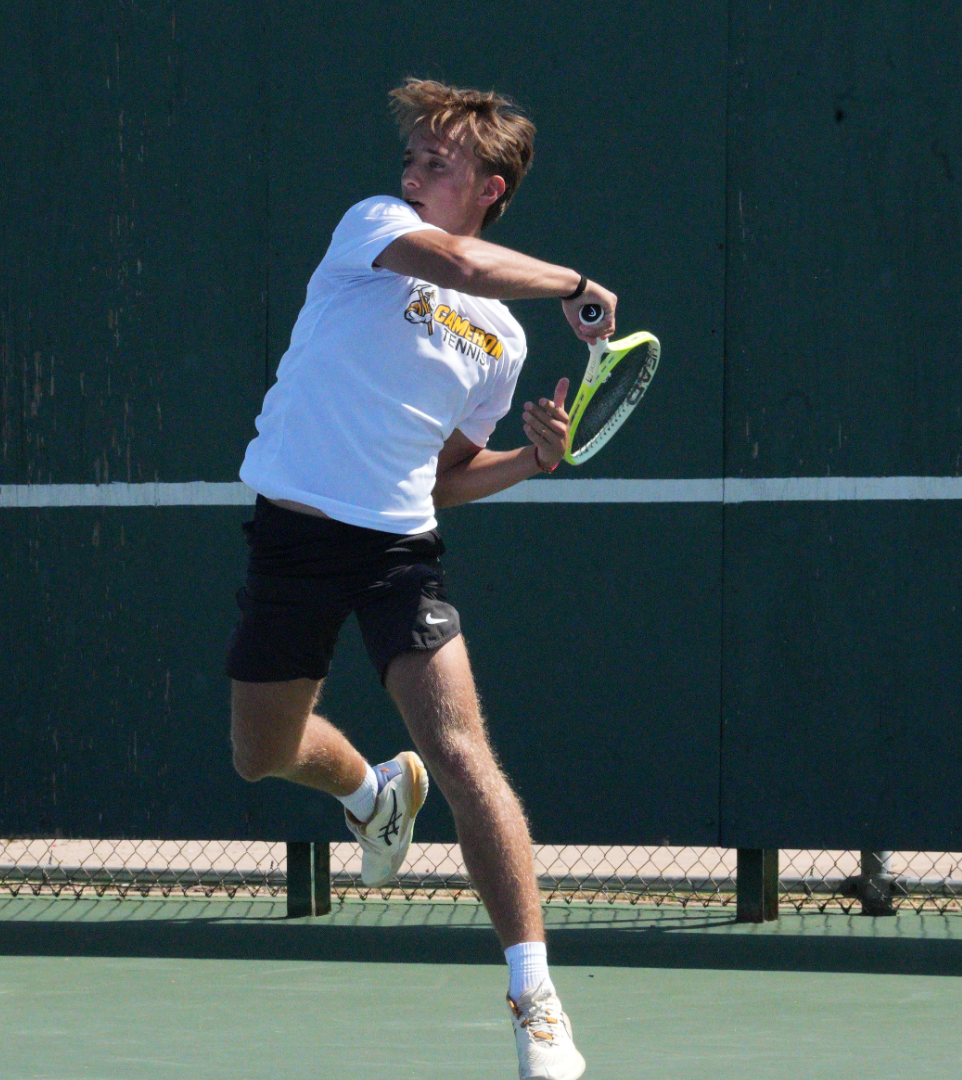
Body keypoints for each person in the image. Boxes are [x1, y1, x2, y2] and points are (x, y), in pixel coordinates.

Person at [225, 77, 614, 1080]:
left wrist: (533, 461)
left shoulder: (505, 342)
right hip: (295, 536)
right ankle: (369, 790)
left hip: (399, 550)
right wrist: (571, 277)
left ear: (489, 184)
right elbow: (458, 261)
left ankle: (538, 1006)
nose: (411, 173)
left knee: (464, 751)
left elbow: (447, 477)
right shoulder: (378, 227)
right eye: (412, 159)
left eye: (436, 164)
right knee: (261, 754)